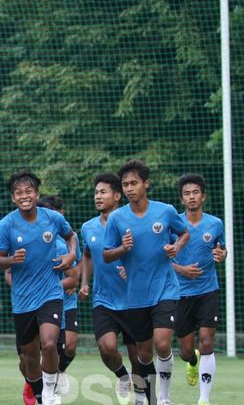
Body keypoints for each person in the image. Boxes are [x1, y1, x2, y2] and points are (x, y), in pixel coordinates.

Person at [103, 160, 189, 405]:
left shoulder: (165, 211)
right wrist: (123, 248)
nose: (130, 188)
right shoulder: (117, 218)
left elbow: (184, 233)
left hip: (166, 289)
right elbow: (107, 254)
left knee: (162, 343)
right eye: (125, 184)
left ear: (146, 184)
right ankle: (144, 395)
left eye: (134, 183)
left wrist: (176, 247)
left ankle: (163, 397)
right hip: (136, 295)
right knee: (143, 353)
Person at [0, 169, 77, 405]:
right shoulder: (7, 224)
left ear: (37, 193)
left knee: (49, 344)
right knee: (29, 356)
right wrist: (11, 260)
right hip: (22, 299)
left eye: (29, 191)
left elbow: (71, 236)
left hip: (50, 293)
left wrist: (71, 256)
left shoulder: (52, 218)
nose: (24, 196)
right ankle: (40, 395)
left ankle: (50, 392)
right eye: (18, 193)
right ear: (13, 198)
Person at [78, 173, 138, 403]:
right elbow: (86, 255)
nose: (98, 196)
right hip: (103, 300)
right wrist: (84, 282)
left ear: (117, 196)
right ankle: (122, 376)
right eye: (96, 192)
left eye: (103, 192)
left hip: (134, 299)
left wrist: (131, 269)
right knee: (107, 347)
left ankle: (143, 394)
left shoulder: (131, 222)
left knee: (138, 355)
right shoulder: (87, 227)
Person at [173, 174, 226, 405]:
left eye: (195, 192)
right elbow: (162, 258)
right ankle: (191, 362)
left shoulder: (215, 224)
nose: (192, 196)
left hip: (207, 290)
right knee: (186, 350)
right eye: (187, 193)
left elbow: (221, 251)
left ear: (203, 196)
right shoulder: (173, 223)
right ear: (182, 198)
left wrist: (222, 255)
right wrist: (182, 269)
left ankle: (204, 399)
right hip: (180, 292)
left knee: (206, 340)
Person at [38, 195, 81, 398]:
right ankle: (47, 384)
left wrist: (78, 281)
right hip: (44, 301)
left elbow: (77, 262)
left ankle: (60, 371)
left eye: (56, 212)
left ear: (61, 213)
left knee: (70, 346)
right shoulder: (36, 238)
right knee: (49, 345)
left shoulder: (68, 239)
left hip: (67, 299)